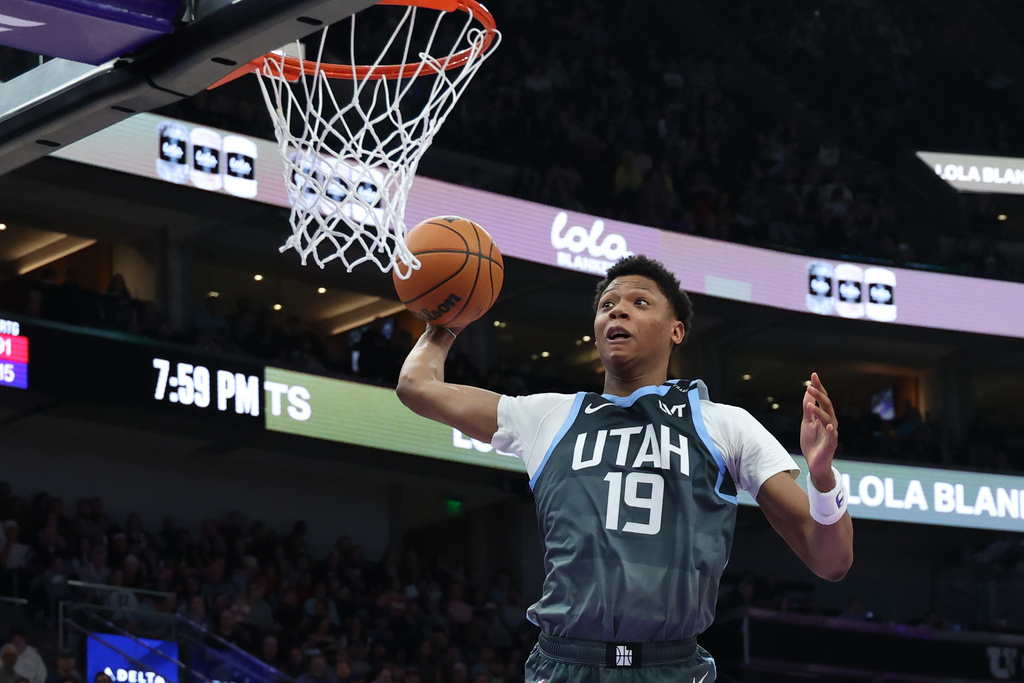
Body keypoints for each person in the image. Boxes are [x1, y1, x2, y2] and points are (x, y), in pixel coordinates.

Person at [397, 254, 854, 682]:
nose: (617, 312)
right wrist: (447, 321)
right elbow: (417, 386)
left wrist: (821, 478)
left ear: (676, 331)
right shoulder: (548, 416)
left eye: (639, 302)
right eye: (607, 305)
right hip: (565, 664)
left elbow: (829, 560)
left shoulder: (724, 424)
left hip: (672, 666)